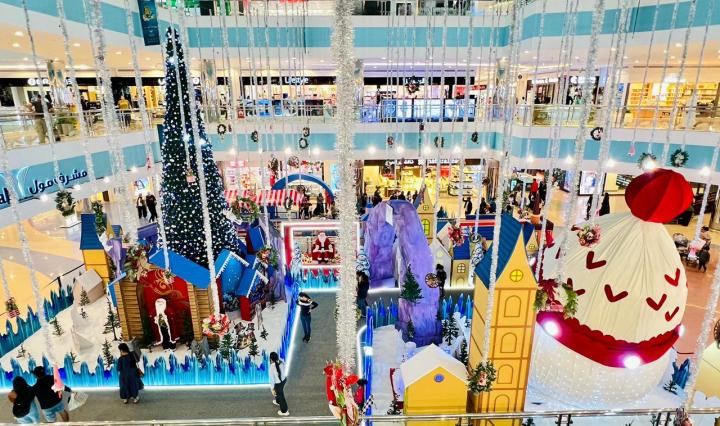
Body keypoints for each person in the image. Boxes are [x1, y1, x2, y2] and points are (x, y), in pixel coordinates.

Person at [269, 352, 289, 416]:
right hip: (284, 380)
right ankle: (278, 401)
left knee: (281, 395)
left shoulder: (272, 367)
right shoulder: (281, 361)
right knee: (278, 392)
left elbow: (272, 379)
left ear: (271, 359)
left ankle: (284, 411)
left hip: (278, 383)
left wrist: (272, 389)